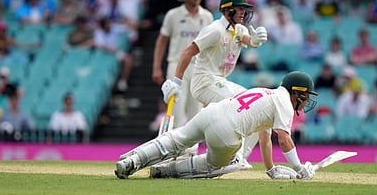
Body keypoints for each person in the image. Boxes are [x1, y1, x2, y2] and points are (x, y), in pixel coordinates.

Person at [115, 71, 317, 180]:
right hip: (226, 132)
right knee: (228, 163)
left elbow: (265, 137)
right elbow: (284, 138)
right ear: (296, 92)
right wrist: (300, 168)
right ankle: (164, 171)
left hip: (210, 113)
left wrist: (270, 169)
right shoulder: (284, 103)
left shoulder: (267, 94)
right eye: (306, 96)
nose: (307, 101)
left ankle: (131, 161)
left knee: (178, 138)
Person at [160, 0, 268, 168]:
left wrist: (255, 41)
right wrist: (177, 81)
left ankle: (240, 156)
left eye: (244, 9)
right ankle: (230, 155)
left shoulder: (239, 29)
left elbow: (248, 40)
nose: (243, 13)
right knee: (236, 108)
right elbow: (188, 52)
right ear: (227, 10)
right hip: (203, 82)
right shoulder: (215, 30)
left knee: (256, 106)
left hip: (219, 81)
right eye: (239, 9)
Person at [152, 0, 213, 128]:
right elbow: (161, 41)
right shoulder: (173, 15)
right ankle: (175, 150)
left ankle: (191, 150)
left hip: (198, 67)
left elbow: (211, 46)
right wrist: (156, 67)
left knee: (196, 113)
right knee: (176, 111)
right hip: (176, 66)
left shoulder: (207, 17)